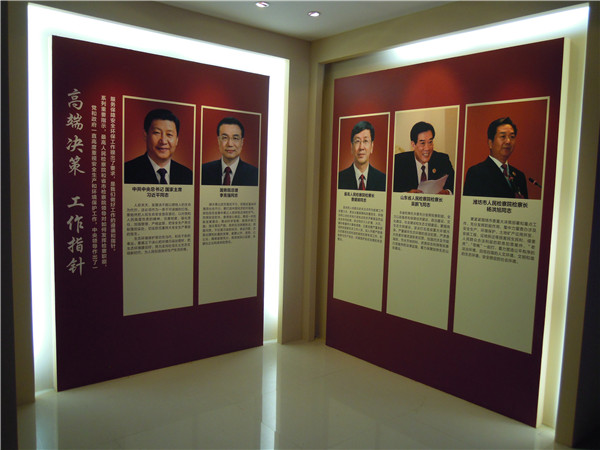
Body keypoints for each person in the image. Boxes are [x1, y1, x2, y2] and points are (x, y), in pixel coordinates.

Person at [463, 117, 528, 198]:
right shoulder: (477, 173)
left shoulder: (519, 176)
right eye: (503, 136)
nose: (508, 141)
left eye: (512, 137)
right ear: (490, 143)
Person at [124, 109, 193, 185]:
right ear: (145, 136)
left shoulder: (187, 175)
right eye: (157, 133)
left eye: (169, 134)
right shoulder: (126, 172)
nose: (163, 141)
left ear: (177, 140)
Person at [393, 121, 454, 194]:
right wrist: (407, 195)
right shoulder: (399, 162)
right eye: (422, 143)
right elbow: (393, 191)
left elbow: (454, 186)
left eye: (430, 142)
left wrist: (447, 192)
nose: (427, 148)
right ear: (413, 145)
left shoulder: (442, 160)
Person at [202, 117, 258, 186]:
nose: (230, 144)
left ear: (242, 142)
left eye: (235, 138)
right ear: (218, 140)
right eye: (225, 138)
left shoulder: (255, 174)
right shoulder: (203, 171)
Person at [338, 120, 386, 191]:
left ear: (372, 146)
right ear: (351, 147)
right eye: (357, 141)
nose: (361, 147)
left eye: (365, 141)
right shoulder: (339, 179)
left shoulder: (383, 180)